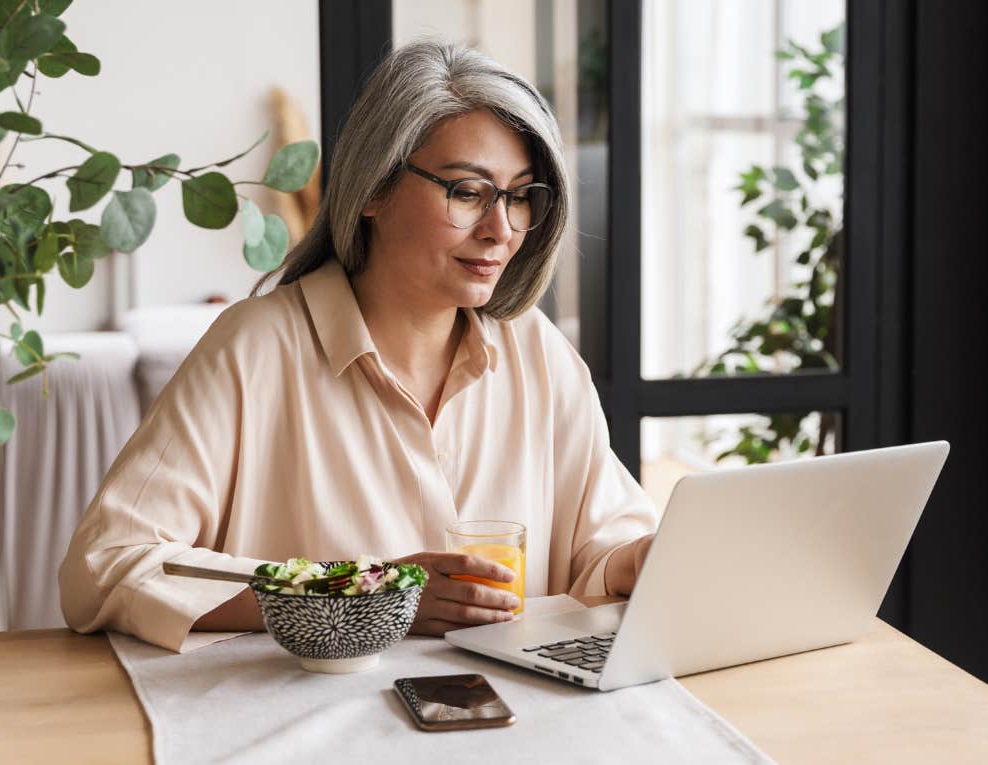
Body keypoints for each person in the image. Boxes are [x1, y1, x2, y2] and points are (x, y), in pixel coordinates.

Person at [57, 39, 657, 653]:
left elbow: (601, 548)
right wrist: (360, 596)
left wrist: (638, 560)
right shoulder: (254, 348)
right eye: (467, 192)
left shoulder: (539, 354)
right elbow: (107, 566)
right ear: (374, 189)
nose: (500, 229)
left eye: (520, 195)